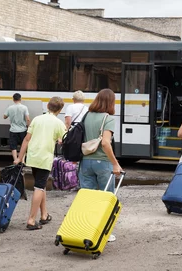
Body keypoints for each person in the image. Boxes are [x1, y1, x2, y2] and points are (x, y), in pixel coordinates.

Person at [14, 97, 66, 230]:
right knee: (38, 187)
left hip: (33, 156)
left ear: (48, 106)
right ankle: (31, 220)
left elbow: (26, 139)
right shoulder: (58, 123)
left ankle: (44, 215)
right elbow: (64, 140)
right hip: (44, 158)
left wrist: (20, 157)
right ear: (60, 110)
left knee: (41, 185)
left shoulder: (37, 119)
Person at [78, 88, 123, 242]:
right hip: (103, 163)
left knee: (87, 198)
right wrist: (115, 164)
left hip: (85, 162)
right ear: (110, 102)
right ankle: (104, 232)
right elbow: (105, 142)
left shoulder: (87, 116)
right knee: (106, 199)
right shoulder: (108, 118)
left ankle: (86, 230)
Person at [4, 93, 30, 161]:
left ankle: (15, 160)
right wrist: (29, 126)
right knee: (23, 145)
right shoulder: (24, 107)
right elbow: (27, 119)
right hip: (23, 130)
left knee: (13, 146)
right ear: (20, 99)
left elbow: (4, 116)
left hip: (13, 130)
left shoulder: (10, 108)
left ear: (13, 99)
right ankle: (23, 160)